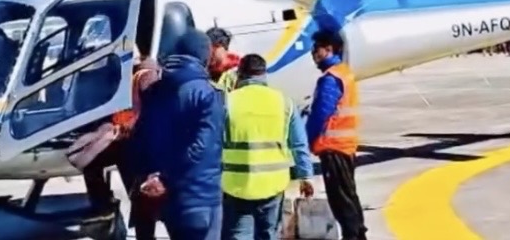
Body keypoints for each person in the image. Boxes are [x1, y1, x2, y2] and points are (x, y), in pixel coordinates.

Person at [133, 30, 226, 240]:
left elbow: (141, 140)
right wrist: (167, 177)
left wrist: (153, 177)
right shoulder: (207, 93)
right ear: (203, 55)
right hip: (201, 195)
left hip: (168, 200)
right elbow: (202, 147)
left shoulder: (155, 90)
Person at [222, 54, 314, 240]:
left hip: (236, 185)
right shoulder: (284, 102)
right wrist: (305, 176)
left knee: (239, 235)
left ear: (239, 74)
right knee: (269, 234)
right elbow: (298, 144)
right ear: (264, 74)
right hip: (273, 184)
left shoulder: (226, 102)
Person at [75, 51, 162, 240]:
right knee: (92, 164)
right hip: (128, 142)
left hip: (135, 145)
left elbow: (149, 112)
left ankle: (108, 210)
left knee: (140, 197)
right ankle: (106, 210)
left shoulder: (145, 75)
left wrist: (128, 127)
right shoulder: (132, 74)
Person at [306, 29, 367, 240]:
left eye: (316, 49)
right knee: (349, 195)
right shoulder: (344, 73)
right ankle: (359, 233)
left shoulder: (330, 79)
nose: (313, 54)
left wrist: (309, 140)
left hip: (333, 147)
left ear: (328, 49)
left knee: (341, 200)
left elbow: (320, 114)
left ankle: (353, 235)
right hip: (346, 146)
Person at [207, 27, 241, 92]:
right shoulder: (203, 72)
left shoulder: (238, 72)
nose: (209, 53)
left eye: (214, 48)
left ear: (224, 48)